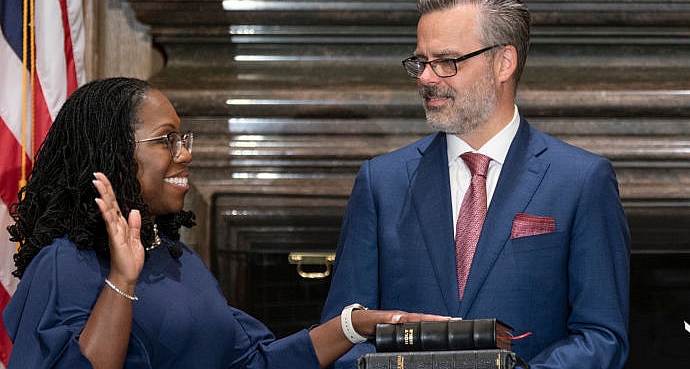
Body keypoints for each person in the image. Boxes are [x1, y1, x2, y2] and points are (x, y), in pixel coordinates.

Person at [3, 77, 447, 369]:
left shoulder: (182, 262)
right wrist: (122, 278)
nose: (185, 153)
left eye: (183, 139)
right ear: (113, 154)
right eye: (166, 141)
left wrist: (357, 324)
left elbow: (254, 364)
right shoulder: (65, 264)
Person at [321, 0, 631, 369]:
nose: (426, 78)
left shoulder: (583, 180)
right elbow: (342, 336)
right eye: (421, 62)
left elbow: (602, 336)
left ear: (503, 62)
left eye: (447, 61)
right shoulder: (380, 182)